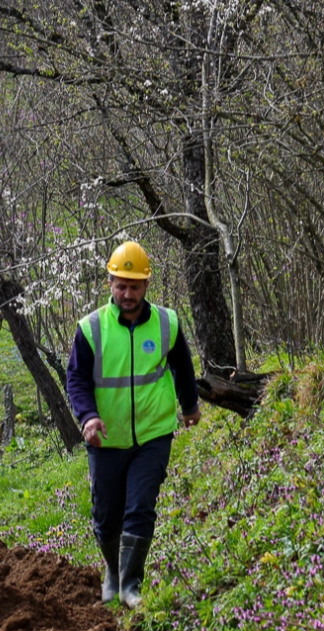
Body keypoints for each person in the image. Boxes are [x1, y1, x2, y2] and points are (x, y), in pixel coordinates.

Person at [66, 241, 201, 607]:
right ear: (110, 283)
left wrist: (190, 406)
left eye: (135, 286)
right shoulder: (91, 329)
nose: (128, 294)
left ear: (146, 285)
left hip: (153, 434)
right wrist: (88, 416)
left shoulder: (167, 323)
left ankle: (130, 586)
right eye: (121, 286)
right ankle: (113, 571)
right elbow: (76, 379)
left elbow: (183, 366)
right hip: (106, 437)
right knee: (106, 514)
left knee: (140, 507)